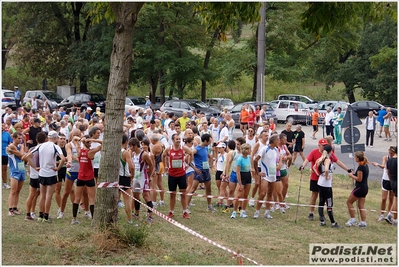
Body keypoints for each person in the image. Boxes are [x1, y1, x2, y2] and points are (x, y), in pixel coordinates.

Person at [299, 138, 351, 221]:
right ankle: (311, 212)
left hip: (324, 180)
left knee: (324, 198)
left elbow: (338, 162)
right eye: (323, 145)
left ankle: (324, 214)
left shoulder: (329, 153)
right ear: (319, 145)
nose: (324, 147)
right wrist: (303, 166)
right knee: (314, 195)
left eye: (325, 145)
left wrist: (347, 169)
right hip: (315, 178)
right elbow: (307, 160)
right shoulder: (314, 152)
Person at [30, 131, 67, 223]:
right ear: (55, 138)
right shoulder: (55, 146)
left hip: (42, 173)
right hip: (51, 173)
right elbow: (63, 159)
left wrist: (34, 167)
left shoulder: (40, 146)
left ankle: (40, 215)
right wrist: (58, 168)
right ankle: (46, 216)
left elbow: (26, 156)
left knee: (42, 195)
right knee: (48, 196)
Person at [71, 135, 102, 225]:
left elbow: (74, 139)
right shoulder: (91, 152)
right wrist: (93, 139)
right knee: (92, 199)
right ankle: (93, 221)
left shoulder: (79, 150)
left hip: (80, 177)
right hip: (89, 177)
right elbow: (103, 144)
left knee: (77, 198)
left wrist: (81, 140)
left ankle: (74, 219)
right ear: (90, 143)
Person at [163, 133, 193, 219]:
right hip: (172, 175)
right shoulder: (169, 149)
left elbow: (191, 153)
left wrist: (188, 163)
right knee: (172, 194)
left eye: (179, 139)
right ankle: (171, 212)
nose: (178, 140)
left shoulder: (183, 148)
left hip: (181, 174)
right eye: (177, 139)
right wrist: (165, 165)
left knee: (183, 194)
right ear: (173, 140)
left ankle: (185, 212)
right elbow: (163, 155)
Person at [253, 134, 281, 219]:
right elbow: (255, 159)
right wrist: (258, 172)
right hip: (265, 175)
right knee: (262, 193)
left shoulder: (276, 149)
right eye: (278, 140)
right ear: (273, 141)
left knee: (270, 193)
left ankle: (267, 212)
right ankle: (257, 211)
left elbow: (274, 162)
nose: (279, 141)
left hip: (272, 174)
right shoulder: (265, 149)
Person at [186, 133, 216, 212]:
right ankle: (186, 207)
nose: (210, 142)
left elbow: (210, 156)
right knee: (192, 189)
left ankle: (209, 206)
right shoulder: (197, 149)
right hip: (199, 172)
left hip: (206, 171)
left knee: (208, 189)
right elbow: (188, 157)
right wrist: (194, 168)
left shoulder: (206, 148)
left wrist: (210, 166)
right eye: (209, 141)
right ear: (205, 141)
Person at [315, 145, 342, 228]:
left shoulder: (321, 158)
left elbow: (314, 167)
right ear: (331, 151)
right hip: (326, 185)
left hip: (320, 183)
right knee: (329, 203)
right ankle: (333, 222)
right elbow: (326, 169)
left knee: (321, 201)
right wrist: (326, 176)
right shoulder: (327, 159)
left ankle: (322, 221)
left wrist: (319, 174)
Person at [130, 138, 155, 224]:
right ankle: (136, 214)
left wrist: (149, 176)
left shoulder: (144, 154)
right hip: (136, 177)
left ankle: (150, 216)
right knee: (136, 196)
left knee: (145, 196)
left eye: (131, 146)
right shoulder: (133, 154)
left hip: (143, 176)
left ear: (135, 146)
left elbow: (151, 166)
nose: (130, 148)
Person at [58, 129, 81, 219]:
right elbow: (69, 154)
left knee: (85, 193)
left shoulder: (82, 144)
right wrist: (70, 161)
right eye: (74, 135)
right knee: (66, 192)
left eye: (78, 135)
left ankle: (87, 211)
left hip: (81, 171)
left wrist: (78, 145)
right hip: (71, 171)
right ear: (71, 135)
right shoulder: (69, 145)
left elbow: (81, 155)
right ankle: (61, 211)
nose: (76, 136)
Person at [23, 132, 46, 220]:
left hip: (33, 175)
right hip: (42, 174)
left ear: (36, 140)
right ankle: (43, 213)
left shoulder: (32, 148)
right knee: (42, 194)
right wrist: (36, 167)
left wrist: (33, 166)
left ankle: (28, 214)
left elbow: (26, 158)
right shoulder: (44, 149)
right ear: (45, 140)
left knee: (32, 194)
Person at [345, 151, 369, 227]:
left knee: (349, 202)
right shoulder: (365, 165)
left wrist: (351, 176)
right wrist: (353, 173)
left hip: (359, 187)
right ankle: (363, 222)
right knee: (361, 205)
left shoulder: (360, 167)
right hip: (365, 187)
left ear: (358, 158)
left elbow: (359, 179)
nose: (354, 158)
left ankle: (353, 219)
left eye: (355, 157)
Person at [6, 132, 26, 216]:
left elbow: (22, 155)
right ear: (14, 138)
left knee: (18, 191)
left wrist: (19, 149)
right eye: (18, 138)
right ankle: (10, 209)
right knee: (13, 190)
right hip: (14, 170)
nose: (20, 140)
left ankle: (15, 207)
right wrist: (19, 150)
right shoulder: (11, 146)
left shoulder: (19, 146)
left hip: (21, 169)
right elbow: (21, 155)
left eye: (21, 138)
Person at [372, 147, 394, 222]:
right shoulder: (385, 157)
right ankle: (382, 214)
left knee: (391, 198)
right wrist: (378, 164)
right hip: (385, 179)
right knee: (384, 198)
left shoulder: (395, 159)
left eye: (391, 153)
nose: (390, 154)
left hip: (393, 180)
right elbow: (383, 166)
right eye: (389, 153)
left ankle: (389, 215)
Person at [230, 143, 252, 219]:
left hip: (248, 176)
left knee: (246, 195)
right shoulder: (240, 159)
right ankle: (234, 211)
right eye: (249, 149)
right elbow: (238, 172)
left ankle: (243, 211)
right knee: (238, 195)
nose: (250, 150)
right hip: (242, 177)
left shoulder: (249, 157)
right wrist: (240, 183)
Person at [119, 134, 135, 224]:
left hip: (117, 177)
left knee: (115, 199)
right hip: (125, 177)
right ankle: (129, 219)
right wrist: (132, 175)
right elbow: (131, 166)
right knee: (127, 200)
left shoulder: (115, 151)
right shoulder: (125, 152)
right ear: (126, 142)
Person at [385, 146, 397, 226]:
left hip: (392, 181)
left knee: (396, 199)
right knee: (397, 201)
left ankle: (389, 215)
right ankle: (395, 220)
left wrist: (391, 180)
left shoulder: (389, 161)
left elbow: (388, 172)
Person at [213, 142, 227, 207]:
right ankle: (222, 199)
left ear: (224, 148)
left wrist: (224, 173)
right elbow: (216, 161)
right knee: (219, 187)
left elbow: (226, 165)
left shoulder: (226, 155)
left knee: (223, 188)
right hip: (218, 171)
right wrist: (215, 167)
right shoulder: (219, 155)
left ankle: (222, 201)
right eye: (218, 148)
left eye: (220, 148)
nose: (218, 149)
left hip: (222, 171)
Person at [2, 124, 13, 189]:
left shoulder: (7, 134)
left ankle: (5, 183)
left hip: (4, 154)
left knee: (4, 169)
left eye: (2, 126)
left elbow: (10, 144)